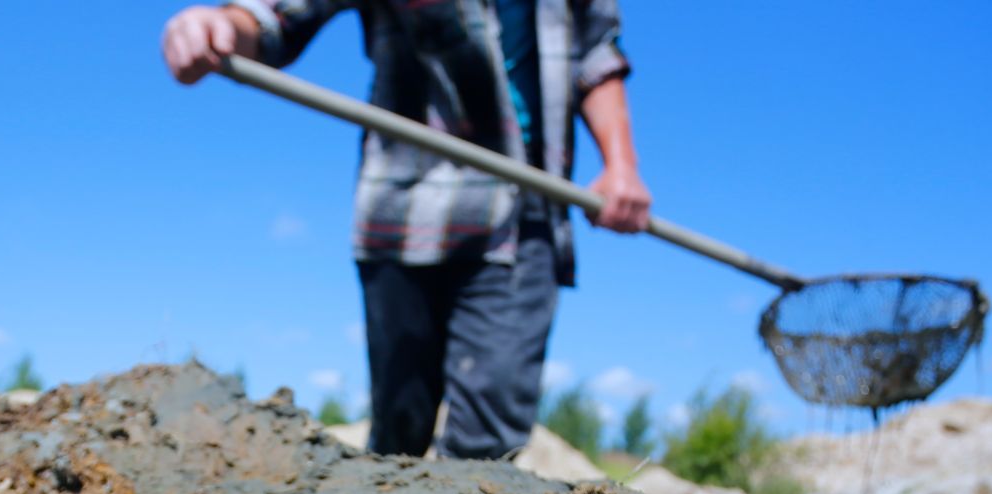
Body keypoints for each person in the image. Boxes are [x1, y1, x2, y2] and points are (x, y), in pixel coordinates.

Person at [162, 1, 650, 460]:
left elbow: (595, 52)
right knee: (400, 426)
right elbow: (278, 16)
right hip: (405, 208)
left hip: (530, 210)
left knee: (490, 439)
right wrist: (224, 23)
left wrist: (621, 165)